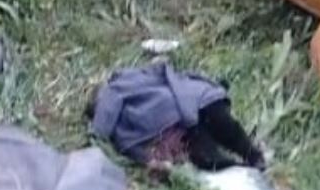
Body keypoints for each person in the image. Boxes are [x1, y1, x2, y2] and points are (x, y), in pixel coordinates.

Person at [87, 64, 267, 173]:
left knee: (219, 131)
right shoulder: (121, 122)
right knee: (210, 150)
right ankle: (250, 163)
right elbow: (129, 146)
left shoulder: (116, 87)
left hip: (187, 101)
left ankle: (251, 157)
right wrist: (150, 162)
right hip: (187, 115)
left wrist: (96, 133)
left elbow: (102, 127)